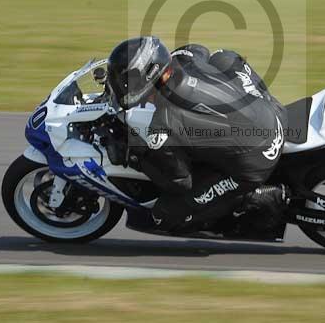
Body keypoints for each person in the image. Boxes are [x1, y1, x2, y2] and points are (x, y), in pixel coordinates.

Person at [105, 36, 288, 233]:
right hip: (273, 112)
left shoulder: (165, 121)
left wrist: (135, 156)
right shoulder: (184, 60)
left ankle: (261, 196)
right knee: (224, 57)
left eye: (126, 81)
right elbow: (197, 48)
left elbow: (181, 181)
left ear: (147, 77)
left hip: (260, 157)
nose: (123, 86)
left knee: (163, 215)